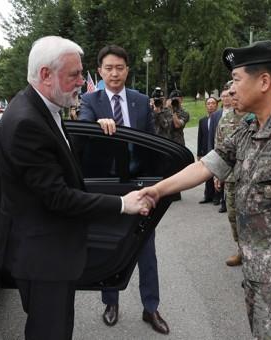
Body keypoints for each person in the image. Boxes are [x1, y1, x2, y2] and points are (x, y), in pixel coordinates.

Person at [137, 40, 271, 339]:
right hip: (256, 269)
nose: (231, 88)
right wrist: (157, 190)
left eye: (237, 79)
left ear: (264, 81)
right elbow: (207, 165)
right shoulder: (249, 126)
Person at [0, 36, 148, 340]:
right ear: (45, 74)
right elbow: (59, 197)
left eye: (81, 73)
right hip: (42, 259)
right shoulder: (27, 122)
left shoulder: (43, 109)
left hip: (49, 254)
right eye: (74, 75)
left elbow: (64, 169)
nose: (82, 81)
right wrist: (121, 204)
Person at [79, 45, 169, 335]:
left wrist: (158, 184)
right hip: (108, 187)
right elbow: (82, 134)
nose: (114, 73)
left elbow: (152, 143)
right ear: (100, 71)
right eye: (108, 68)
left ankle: (151, 307)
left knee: (146, 248)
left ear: (127, 70)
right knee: (111, 244)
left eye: (119, 67)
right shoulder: (90, 101)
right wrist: (96, 124)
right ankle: (111, 302)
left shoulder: (140, 102)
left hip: (140, 183)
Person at [214, 83, 247, 266]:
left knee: (252, 218)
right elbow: (218, 148)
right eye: (230, 94)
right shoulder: (225, 121)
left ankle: (252, 255)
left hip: (251, 180)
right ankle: (241, 250)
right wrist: (216, 175)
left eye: (235, 93)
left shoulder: (253, 117)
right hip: (231, 178)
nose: (233, 97)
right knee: (233, 216)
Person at [197, 96, 222, 205]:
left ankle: (217, 197)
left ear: (216, 105)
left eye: (213, 103)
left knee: (216, 173)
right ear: (206, 106)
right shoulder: (202, 121)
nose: (211, 105)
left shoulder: (220, 119)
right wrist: (199, 153)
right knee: (206, 174)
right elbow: (200, 137)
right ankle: (208, 195)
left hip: (216, 149)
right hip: (206, 150)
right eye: (209, 103)